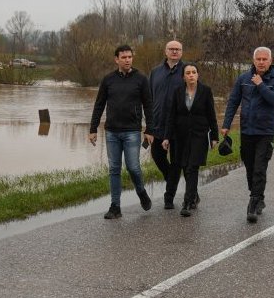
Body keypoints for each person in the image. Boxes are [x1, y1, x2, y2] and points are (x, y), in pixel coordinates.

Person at [88, 45, 154, 219]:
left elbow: (148, 105)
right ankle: (115, 207)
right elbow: (99, 105)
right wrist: (93, 128)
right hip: (112, 132)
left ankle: (141, 192)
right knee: (114, 169)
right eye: (123, 57)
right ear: (116, 59)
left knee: (133, 167)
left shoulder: (141, 79)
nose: (127, 60)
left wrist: (149, 129)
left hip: (132, 131)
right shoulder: (108, 80)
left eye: (129, 57)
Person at [222, 46, 274, 223]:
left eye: (264, 59)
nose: (261, 62)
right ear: (253, 60)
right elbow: (233, 101)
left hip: (265, 132)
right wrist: (226, 124)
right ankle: (258, 197)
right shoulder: (243, 78)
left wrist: (260, 84)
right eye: (258, 59)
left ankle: (252, 204)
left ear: (270, 61)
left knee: (260, 168)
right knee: (250, 168)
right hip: (246, 130)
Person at [162, 64, 219, 217]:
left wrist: (215, 136)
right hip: (180, 136)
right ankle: (193, 197)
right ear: (183, 77)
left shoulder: (205, 91)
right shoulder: (178, 91)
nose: (191, 75)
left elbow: (211, 114)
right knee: (184, 165)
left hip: (199, 135)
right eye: (188, 73)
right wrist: (167, 137)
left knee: (192, 167)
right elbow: (171, 115)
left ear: (198, 75)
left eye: (194, 72)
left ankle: (187, 202)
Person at [149, 40, 185, 208]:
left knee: (176, 161)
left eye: (177, 49)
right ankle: (178, 183)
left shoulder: (187, 71)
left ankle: (169, 197)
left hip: (178, 125)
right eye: (171, 49)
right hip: (158, 123)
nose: (174, 51)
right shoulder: (155, 72)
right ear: (165, 51)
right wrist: (148, 125)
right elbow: (149, 98)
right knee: (157, 156)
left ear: (181, 52)